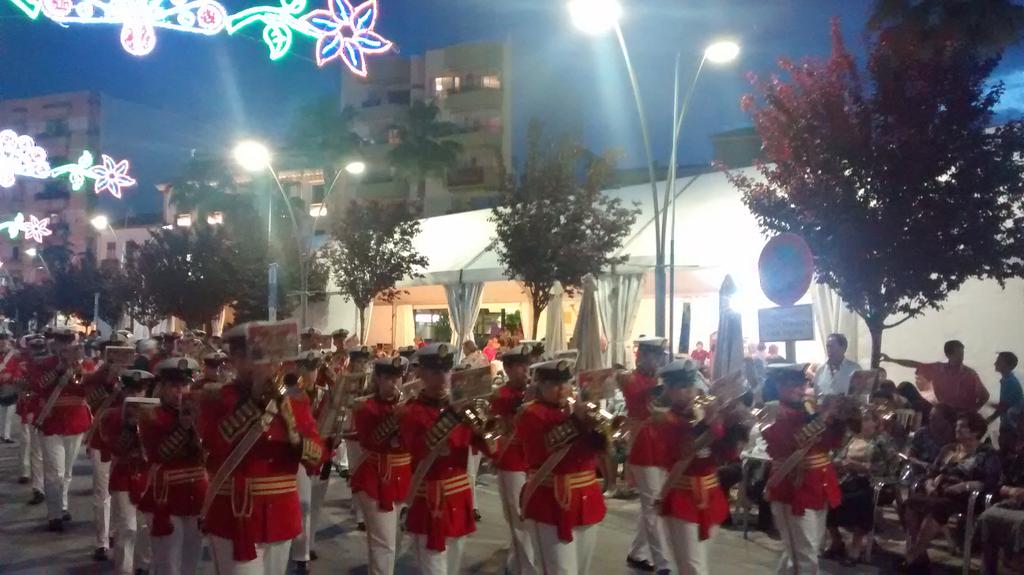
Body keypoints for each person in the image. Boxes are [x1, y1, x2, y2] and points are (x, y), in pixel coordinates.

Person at [198, 323, 324, 575]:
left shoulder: (295, 399)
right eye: (252, 356)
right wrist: (255, 401)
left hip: (281, 511)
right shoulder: (216, 398)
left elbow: (317, 457)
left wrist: (296, 439)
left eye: (268, 356)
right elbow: (214, 445)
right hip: (236, 514)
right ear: (235, 358)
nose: (264, 364)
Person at [399, 343, 484, 575]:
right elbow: (421, 449)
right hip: (429, 503)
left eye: (447, 371)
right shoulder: (411, 411)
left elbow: (492, 448)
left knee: (453, 569)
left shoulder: (462, 407)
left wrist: (481, 426)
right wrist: (454, 414)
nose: (443, 378)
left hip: (458, 500)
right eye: (436, 372)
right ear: (422, 374)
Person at [517, 358, 607, 575]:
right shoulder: (530, 413)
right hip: (550, 500)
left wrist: (597, 428)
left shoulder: (578, 410)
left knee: (581, 569)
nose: (561, 390)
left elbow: (600, 449)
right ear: (540, 385)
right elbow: (547, 445)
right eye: (554, 385)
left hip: (586, 499)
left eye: (565, 383)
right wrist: (577, 420)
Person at [646, 360, 735, 575]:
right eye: (682, 388)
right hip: (682, 496)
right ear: (668, 389)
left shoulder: (698, 413)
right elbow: (684, 449)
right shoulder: (662, 419)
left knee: (699, 562)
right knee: (693, 568)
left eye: (692, 386)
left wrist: (733, 424)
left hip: (711, 494)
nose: (690, 393)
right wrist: (711, 421)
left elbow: (725, 455)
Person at [762, 364, 848, 575]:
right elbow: (793, 441)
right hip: (793, 488)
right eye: (794, 386)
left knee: (804, 552)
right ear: (779, 386)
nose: (801, 390)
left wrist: (841, 420)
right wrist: (824, 416)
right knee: (805, 557)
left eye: (803, 384)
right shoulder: (773, 410)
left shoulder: (809, 409)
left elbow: (830, 444)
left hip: (818, 486)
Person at [901, 412, 1001, 573]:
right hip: (938, 491)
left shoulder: (986, 453)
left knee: (937, 507)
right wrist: (929, 484)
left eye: (963, 426)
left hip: (965, 497)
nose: (957, 429)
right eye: (957, 426)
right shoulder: (948, 449)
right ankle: (919, 555)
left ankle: (912, 555)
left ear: (975, 431)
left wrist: (966, 485)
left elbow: (991, 481)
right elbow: (932, 472)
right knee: (911, 503)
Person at [139, 357, 206, 575]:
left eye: (184, 385)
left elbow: (209, 452)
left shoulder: (200, 414)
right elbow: (160, 453)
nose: (180, 392)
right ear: (163, 387)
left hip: (197, 492)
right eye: (174, 386)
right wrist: (184, 427)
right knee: (167, 563)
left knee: (191, 561)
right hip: (165, 496)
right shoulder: (151, 413)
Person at [350, 356, 413, 575]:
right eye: (388, 377)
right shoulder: (365, 406)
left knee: (394, 540)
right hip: (376, 477)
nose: (393, 382)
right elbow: (372, 439)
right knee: (384, 543)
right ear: (377, 378)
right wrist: (397, 417)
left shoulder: (410, 404)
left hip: (403, 476)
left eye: (397, 377)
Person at [620, 336, 671, 574]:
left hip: (661, 446)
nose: (659, 360)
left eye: (661, 356)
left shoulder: (660, 378)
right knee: (653, 506)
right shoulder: (632, 379)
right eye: (655, 356)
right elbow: (641, 395)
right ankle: (663, 563)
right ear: (642, 356)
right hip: (643, 445)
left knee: (653, 504)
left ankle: (637, 552)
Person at [824, 407, 899, 565]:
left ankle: (855, 547)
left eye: (866, 419)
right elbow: (836, 457)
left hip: (874, 482)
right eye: (860, 420)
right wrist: (839, 464)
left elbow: (892, 467)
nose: (862, 423)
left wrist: (863, 467)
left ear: (875, 421)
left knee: (860, 499)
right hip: (848, 480)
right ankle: (836, 541)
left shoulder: (881, 440)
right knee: (826, 495)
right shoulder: (850, 439)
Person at [35, 328, 90, 532]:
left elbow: (88, 389)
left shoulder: (85, 365)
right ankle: (54, 514)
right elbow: (38, 386)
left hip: (75, 422)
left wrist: (80, 368)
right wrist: (59, 368)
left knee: (66, 471)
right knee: (54, 472)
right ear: (55, 344)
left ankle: (63, 505)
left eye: (70, 342)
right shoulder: (43, 363)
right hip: (51, 422)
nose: (66, 346)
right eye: (62, 341)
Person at [883, 341, 989, 446]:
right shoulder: (939, 369)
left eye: (962, 354)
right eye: (958, 354)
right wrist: (891, 360)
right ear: (948, 355)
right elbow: (915, 364)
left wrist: (971, 412)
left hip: (959, 415)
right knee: (906, 387)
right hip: (941, 412)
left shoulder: (969, 374)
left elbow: (985, 396)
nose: (961, 357)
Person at [488, 344, 537, 575]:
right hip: (512, 458)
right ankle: (522, 568)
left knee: (529, 517)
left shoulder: (535, 391)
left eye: (527, 365)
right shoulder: (501, 395)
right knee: (519, 517)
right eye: (519, 366)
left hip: (534, 460)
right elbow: (500, 426)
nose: (525, 371)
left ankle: (517, 561)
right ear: (507, 368)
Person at [103, 369, 155, 575]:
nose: (137, 394)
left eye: (141, 390)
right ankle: (124, 570)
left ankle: (143, 565)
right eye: (132, 389)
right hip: (123, 474)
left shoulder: (155, 415)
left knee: (145, 525)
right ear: (124, 391)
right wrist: (129, 427)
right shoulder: (112, 415)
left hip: (146, 474)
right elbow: (114, 449)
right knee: (127, 527)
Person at [978, 429, 1024, 575]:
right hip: (1016, 502)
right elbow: (1000, 484)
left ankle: (1015, 566)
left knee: (1020, 524)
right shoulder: (1019, 459)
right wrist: (1010, 490)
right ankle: (989, 570)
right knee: (988, 517)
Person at [17, 335, 45, 504]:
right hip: (31, 411)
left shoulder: (49, 366)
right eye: (34, 350)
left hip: (47, 413)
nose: (37, 353)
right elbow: (21, 385)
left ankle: (47, 487)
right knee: (36, 452)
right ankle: (38, 488)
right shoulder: (24, 365)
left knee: (43, 453)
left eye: (39, 350)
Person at [988, 352, 1022, 442]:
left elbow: (1003, 408)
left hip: (1011, 428)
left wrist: (987, 421)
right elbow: (1006, 405)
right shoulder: (1007, 380)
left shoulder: (1010, 383)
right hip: (1010, 426)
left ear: (1008, 365)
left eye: (999, 361)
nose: (995, 363)